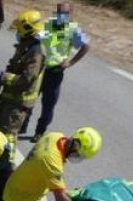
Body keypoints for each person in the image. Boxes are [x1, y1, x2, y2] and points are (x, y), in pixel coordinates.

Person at [0, 11, 46, 150]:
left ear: (27, 30)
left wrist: (4, 77)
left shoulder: (36, 52)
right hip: (10, 100)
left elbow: (26, 80)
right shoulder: (26, 46)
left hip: (18, 104)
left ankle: (5, 168)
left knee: (8, 137)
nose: (17, 33)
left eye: (19, 30)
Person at [31, 3, 90, 139]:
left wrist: (70, 62)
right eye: (59, 12)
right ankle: (21, 126)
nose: (60, 16)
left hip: (55, 71)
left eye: (64, 13)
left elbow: (85, 46)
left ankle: (39, 132)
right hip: (39, 68)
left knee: (48, 105)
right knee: (29, 99)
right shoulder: (49, 24)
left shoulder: (73, 30)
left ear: (70, 14)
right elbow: (38, 39)